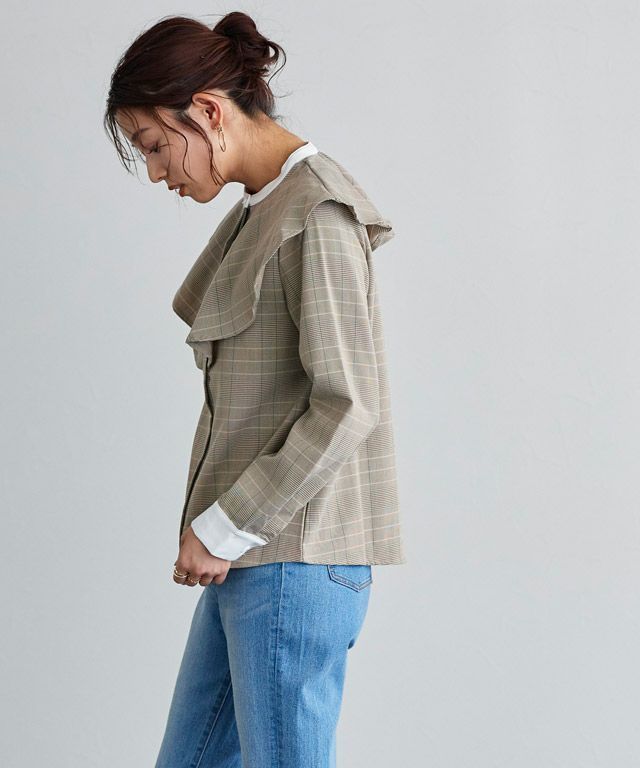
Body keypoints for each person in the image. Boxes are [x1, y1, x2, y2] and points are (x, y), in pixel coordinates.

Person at [104, 10, 407, 767]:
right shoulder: (267, 206)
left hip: (291, 557)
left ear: (208, 111)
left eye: (154, 144)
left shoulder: (317, 211)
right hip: (257, 560)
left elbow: (348, 403)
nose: (157, 172)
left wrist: (225, 526)